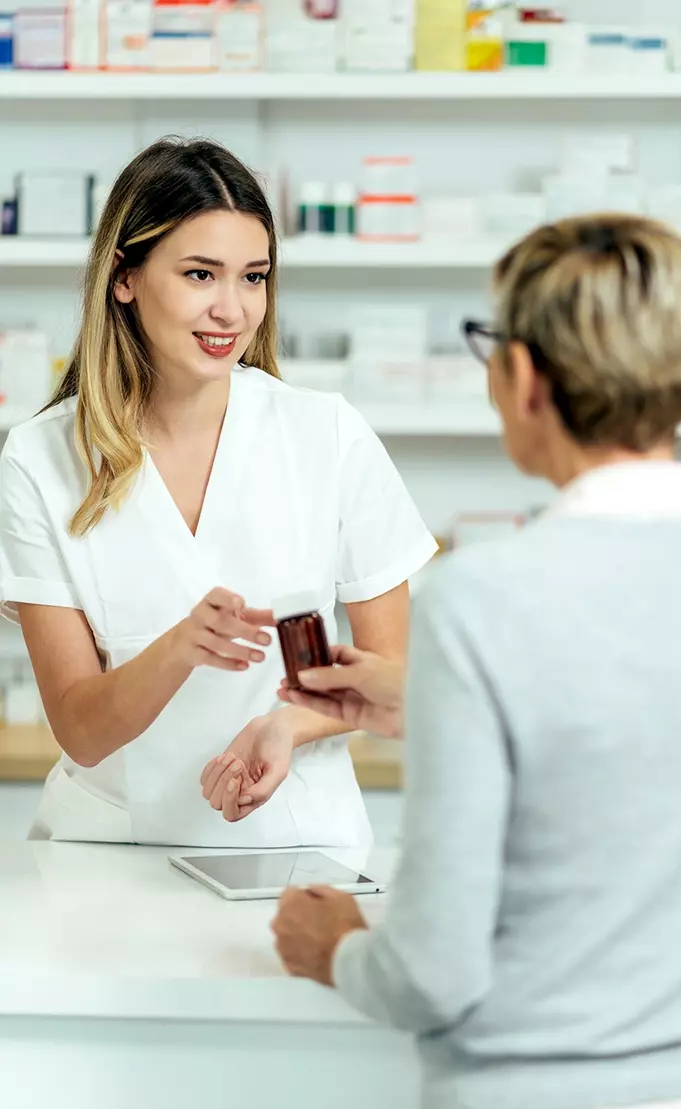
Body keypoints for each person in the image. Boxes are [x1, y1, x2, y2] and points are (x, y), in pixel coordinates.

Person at [271, 215, 681, 1109]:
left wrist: (338, 949)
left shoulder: (482, 603)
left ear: (522, 378)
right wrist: (427, 701)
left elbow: (432, 971)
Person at [0, 136, 436, 848]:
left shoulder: (327, 434)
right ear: (125, 277)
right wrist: (180, 648)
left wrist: (289, 723)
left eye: (253, 277)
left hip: (296, 839)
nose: (232, 310)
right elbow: (80, 728)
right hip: (111, 852)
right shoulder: (41, 457)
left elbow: (398, 677)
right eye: (201, 275)